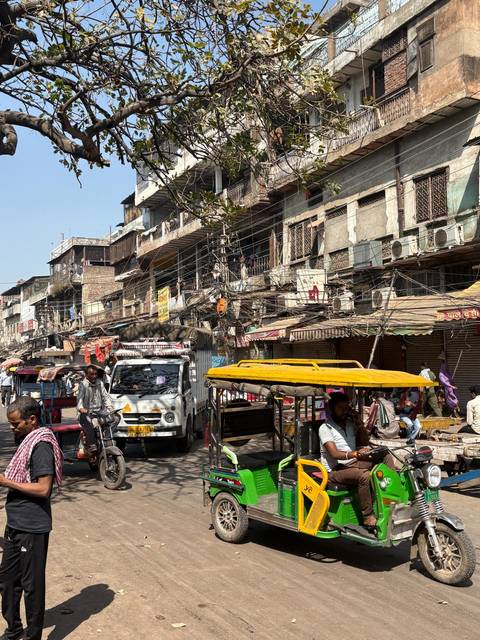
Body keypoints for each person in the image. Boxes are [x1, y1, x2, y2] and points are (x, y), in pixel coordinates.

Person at [0, 397, 63, 640]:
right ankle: (13, 629)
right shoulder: (27, 441)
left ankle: (33, 635)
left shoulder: (41, 446)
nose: (12, 429)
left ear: (32, 420)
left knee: (32, 586)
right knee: (7, 581)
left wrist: (6, 481)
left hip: (32, 526)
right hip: (15, 524)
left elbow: (43, 489)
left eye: (16, 424)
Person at [318, 392, 395, 530]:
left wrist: (359, 424)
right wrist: (354, 454)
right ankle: (367, 516)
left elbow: (364, 442)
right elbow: (334, 453)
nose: (344, 411)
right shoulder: (325, 428)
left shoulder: (349, 424)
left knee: (385, 456)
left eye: (346, 408)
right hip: (336, 470)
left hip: (353, 462)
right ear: (332, 409)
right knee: (364, 476)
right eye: (340, 408)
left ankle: (394, 494)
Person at [77, 365, 113, 453]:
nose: (94, 376)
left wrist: (110, 408)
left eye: (95, 374)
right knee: (88, 422)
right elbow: (79, 404)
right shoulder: (83, 385)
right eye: (91, 374)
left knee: (114, 418)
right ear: (86, 375)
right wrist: (84, 410)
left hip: (99, 413)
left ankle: (107, 440)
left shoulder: (100, 383)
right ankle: (91, 444)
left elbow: (105, 397)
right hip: (86, 414)